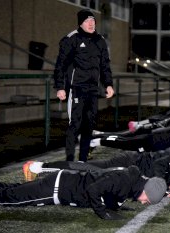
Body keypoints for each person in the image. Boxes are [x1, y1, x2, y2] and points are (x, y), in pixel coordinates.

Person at [0, 166, 167, 220]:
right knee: (7, 199)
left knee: (9, 190)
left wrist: (117, 208)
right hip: (56, 189)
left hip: (61, 182)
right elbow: (94, 190)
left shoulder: (131, 180)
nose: (143, 202)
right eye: (146, 199)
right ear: (145, 189)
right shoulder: (125, 182)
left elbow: (110, 192)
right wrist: (102, 213)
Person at [53, 9, 114, 162]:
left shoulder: (100, 41)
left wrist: (108, 84)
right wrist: (60, 87)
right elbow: (60, 64)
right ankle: (69, 159)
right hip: (76, 88)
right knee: (75, 124)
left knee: (89, 125)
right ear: (80, 23)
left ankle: (83, 160)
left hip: (92, 89)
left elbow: (105, 65)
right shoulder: (72, 39)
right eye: (87, 21)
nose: (91, 23)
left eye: (93, 20)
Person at [22, 148, 170, 189]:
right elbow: (159, 166)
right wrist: (162, 188)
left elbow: (165, 171)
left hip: (132, 166)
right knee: (86, 169)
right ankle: (38, 166)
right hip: (129, 163)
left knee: (86, 171)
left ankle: (40, 168)